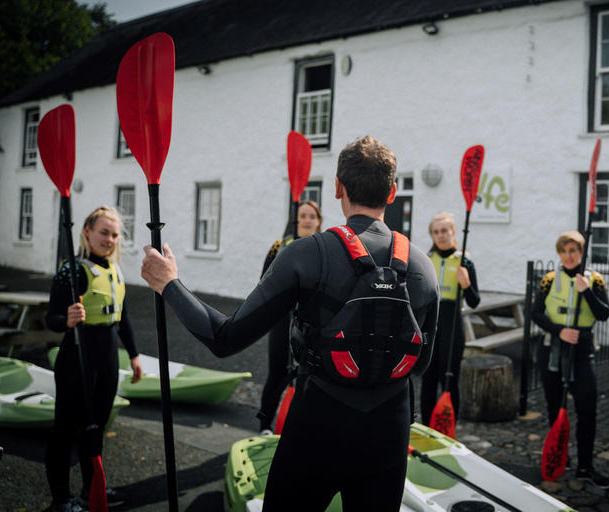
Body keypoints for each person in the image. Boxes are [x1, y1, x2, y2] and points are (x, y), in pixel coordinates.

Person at [141, 135, 439, 511]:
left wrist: (168, 284)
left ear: (337, 188)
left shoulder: (304, 254)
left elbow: (225, 338)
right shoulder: (424, 266)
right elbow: (422, 365)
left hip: (318, 429)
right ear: (392, 192)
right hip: (388, 433)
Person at [45, 206, 143, 512]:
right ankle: (61, 499)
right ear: (87, 232)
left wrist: (135, 355)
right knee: (67, 428)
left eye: (115, 234)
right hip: (77, 357)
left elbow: (122, 317)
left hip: (107, 357)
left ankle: (92, 491)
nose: (110, 239)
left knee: (96, 427)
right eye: (104, 232)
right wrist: (68, 319)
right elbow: (51, 317)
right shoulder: (72, 270)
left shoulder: (114, 270)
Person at [531, 230, 609, 489]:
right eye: (564, 251)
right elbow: (535, 313)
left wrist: (586, 291)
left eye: (574, 251)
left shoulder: (594, 279)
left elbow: (604, 314)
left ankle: (585, 467)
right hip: (552, 347)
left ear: (581, 253)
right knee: (555, 407)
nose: (569, 256)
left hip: (582, 348)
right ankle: (560, 457)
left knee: (587, 408)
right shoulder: (549, 280)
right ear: (560, 253)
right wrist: (559, 331)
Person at [258, 200, 322, 435]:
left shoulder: (324, 248)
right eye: (302, 216)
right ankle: (264, 425)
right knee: (277, 373)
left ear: (318, 221)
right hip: (282, 320)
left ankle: (304, 430)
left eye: (311, 216)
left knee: (310, 377)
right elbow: (264, 283)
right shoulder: (279, 247)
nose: (306, 220)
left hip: (312, 324)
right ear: (295, 221)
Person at [420, 212, 480, 425]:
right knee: (428, 380)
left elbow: (474, 301)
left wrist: (465, 283)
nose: (441, 235)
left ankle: (448, 428)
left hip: (453, 326)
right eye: (436, 232)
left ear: (453, 232)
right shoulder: (426, 260)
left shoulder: (465, 261)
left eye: (445, 230)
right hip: (431, 324)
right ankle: (426, 427)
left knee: (449, 379)